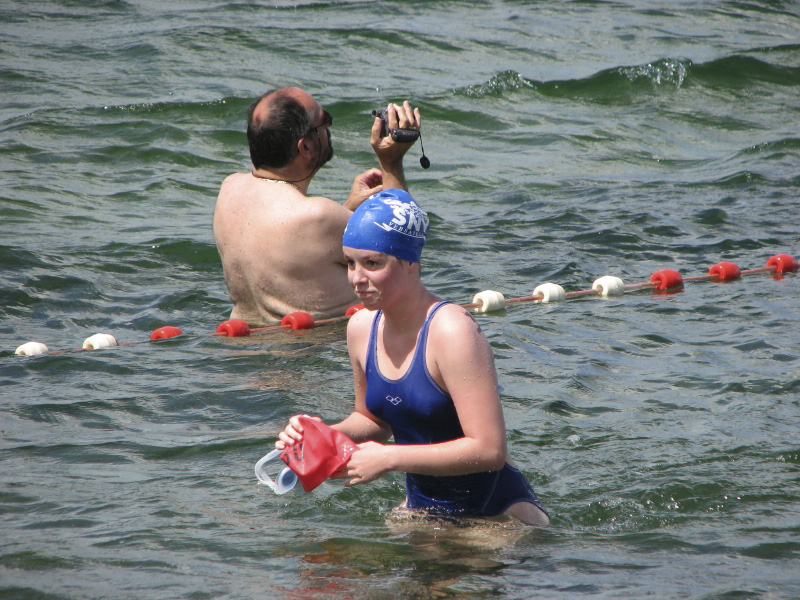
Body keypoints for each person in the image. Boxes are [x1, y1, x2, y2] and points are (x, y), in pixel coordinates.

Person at [276, 189, 550, 525]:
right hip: (422, 508)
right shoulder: (361, 328)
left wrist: (389, 458)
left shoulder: (453, 332)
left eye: (373, 263)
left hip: (496, 515)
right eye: (350, 263)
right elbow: (374, 421)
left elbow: (489, 450)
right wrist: (323, 435)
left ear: (409, 262)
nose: (356, 279)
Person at [213, 87, 421, 325]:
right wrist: (391, 161)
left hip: (243, 339)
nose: (329, 128)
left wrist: (347, 210)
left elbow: (304, 242)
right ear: (305, 148)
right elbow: (405, 263)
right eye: (325, 122)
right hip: (323, 344)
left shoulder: (230, 189)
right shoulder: (319, 217)